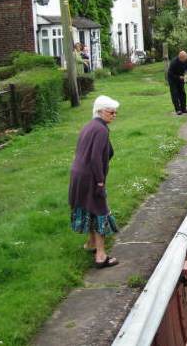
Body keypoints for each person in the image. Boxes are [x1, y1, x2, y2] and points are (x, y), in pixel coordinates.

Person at [69, 95, 120, 268]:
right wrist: (100, 182)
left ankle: (90, 243)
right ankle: (101, 255)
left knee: (89, 209)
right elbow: (95, 158)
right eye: (110, 111)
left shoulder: (90, 126)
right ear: (99, 111)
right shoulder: (101, 130)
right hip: (90, 177)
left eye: (115, 112)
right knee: (100, 212)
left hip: (78, 175)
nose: (114, 115)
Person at [167, 51, 187, 115]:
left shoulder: (186, 59)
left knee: (182, 93)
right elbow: (170, 74)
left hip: (181, 77)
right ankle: (178, 110)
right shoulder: (174, 63)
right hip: (173, 79)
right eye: (184, 58)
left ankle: (183, 108)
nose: (186, 59)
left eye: (186, 57)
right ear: (180, 58)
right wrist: (178, 77)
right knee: (175, 94)